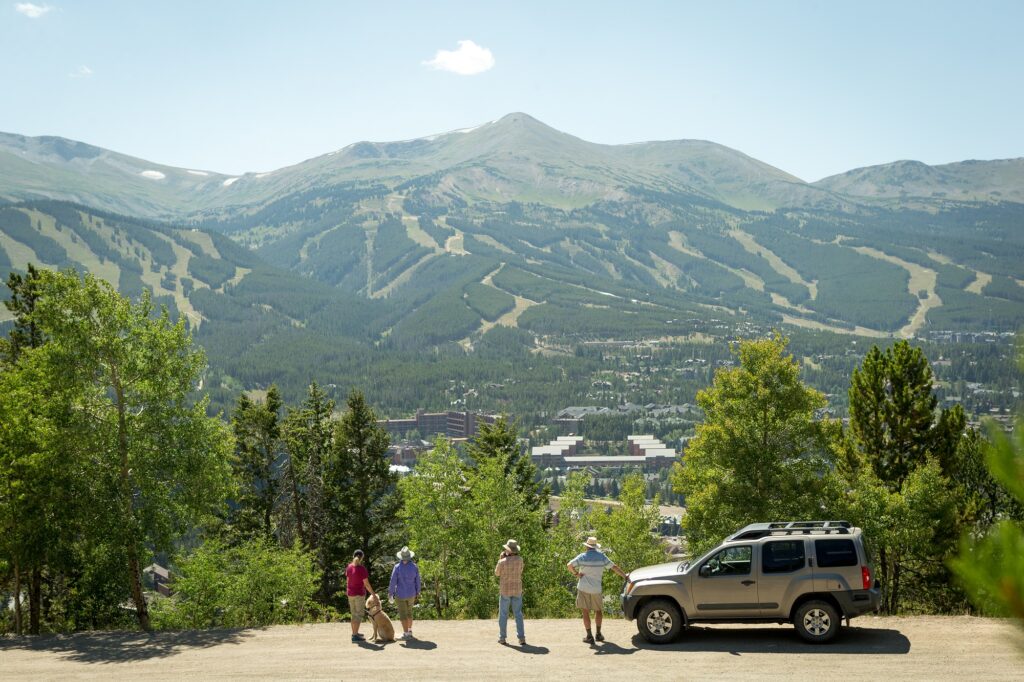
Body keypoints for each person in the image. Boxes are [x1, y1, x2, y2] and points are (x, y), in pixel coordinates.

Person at [567, 536, 629, 644]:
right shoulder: (602, 557)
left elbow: (569, 565)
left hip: (583, 588)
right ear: (595, 547)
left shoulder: (582, 556)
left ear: (587, 546)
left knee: (585, 611)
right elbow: (614, 567)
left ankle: (589, 636)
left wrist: (576, 574)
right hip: (596, 589)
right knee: (598, 611)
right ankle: (598, 634)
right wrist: (625, 576)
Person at [494, 539, 525, 646]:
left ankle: (502, 638)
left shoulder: (502, 562)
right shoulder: (520, 559)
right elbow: (521, 571)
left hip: (505, 590)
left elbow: (497, 573)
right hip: (517, 589)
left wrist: (501, 558)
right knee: (518, 614)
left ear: (508, 550)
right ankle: (521, 638)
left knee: (503, 614)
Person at [389, 546, 421, 640]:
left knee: (403, 614)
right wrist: (418, 591)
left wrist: (391, 593)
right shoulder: (414, 567)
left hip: (400, 594)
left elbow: (393, 581)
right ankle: (410, 631)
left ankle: (406, 633)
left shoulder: (397, 567)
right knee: (409, 613)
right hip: (411, 594)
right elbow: (418, 580)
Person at [345, 549, 376, 643]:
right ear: (361, 558)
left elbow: (347, 581)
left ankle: (355, 633)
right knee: (358, 615)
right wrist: (373, 594)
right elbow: (366, 584)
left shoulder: (349, 567)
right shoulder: (362, 569)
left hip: (350, 594)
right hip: (359, 594)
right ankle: (355, 636)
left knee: (353, 614)